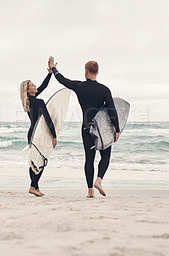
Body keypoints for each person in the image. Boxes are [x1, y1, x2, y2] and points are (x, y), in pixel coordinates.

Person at [48, 56, 120, 198]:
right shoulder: (104, 90)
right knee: (105, 156)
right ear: (97, 72)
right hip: (102, 129)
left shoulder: (80, 86)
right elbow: (112, 110)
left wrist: (53, 68)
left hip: (87, 128)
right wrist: (117, 129)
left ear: (86, 72)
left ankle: (90, 191)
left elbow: (63, 80)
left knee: (89, 158)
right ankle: (98, 180)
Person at [20, 67, 57, 197]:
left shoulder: (30, 101)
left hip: (32, 133)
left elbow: (43, 86)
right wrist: (54, 135)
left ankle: (35, 186)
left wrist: (50, 73)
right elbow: (47, 119)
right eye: (32, 85)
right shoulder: (39, 102)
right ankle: (33, 186)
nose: (35, 86)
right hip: (40, 134)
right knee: (42, 160)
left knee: (34, 161)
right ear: (28, 90)